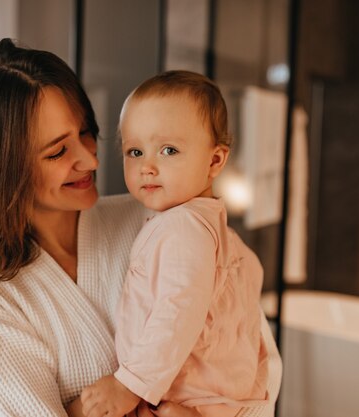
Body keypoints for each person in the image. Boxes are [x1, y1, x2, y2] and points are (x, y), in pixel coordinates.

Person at [0, 39, 280, 417]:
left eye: (86, 133)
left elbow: (257, 357)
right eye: (57, 151)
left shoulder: (163, 218)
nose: (90, 160)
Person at [81, 71, 271, 417]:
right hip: (216, 398)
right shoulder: (219, 232)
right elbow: (251, 274)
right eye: (135, 151)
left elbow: (176, 311)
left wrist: (130, 384)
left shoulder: (182, 226)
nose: (147, 167)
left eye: (168, 150)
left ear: (214, 161)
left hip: (187, 398)